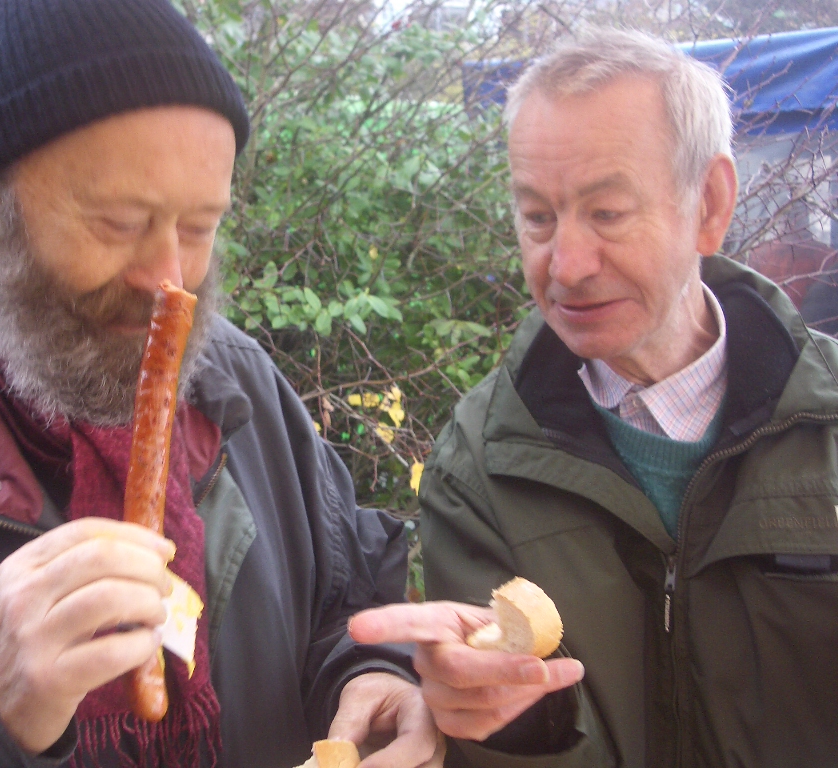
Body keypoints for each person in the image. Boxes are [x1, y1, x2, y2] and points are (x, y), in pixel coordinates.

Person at [0, 1, 445, 766]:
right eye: (117, 222)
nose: (167, 278)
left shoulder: (241, 385)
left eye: (199, 227)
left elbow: (348, 599)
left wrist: (374, 673)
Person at [350, 27, 838, 768]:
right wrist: (503, 719)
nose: (567, 266)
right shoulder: (479, 466)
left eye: (607, 213)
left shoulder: (825, 423)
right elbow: (510, 743)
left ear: (709, 204)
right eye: (538, 218)